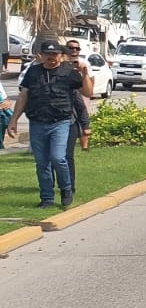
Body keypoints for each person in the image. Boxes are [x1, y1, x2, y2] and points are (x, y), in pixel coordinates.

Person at [6, 39, 93, 208]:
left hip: (60, 122)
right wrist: (14, 120)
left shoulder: (69, 72)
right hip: (37, 122)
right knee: (42, 162)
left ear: (61, 56)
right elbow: (24, 96)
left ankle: (66, 189)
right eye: (48, 54)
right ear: (41, 55)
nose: (51, 57)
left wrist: (84, 73)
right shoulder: (33, 72)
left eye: (55, 54)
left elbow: (88, 92)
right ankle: (47, 198)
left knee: (58, 157)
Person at [62, 40, 93, 187]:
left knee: (67, 155)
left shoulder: (83, 65)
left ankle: (69, 186)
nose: (74, 51)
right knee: (52, 157)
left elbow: (88, 92)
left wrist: (84, 73)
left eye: (77, 48)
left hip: (75, 110)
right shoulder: (57, 66)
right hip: (54, 116)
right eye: (70, 48)